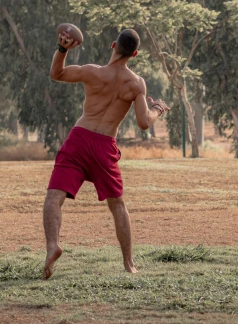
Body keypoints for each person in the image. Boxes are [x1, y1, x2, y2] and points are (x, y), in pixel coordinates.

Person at [43, 28, 170, 279]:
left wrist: (63, 49)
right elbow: (144, 122)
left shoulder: (93, 72)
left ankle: (52, 246)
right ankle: (129, 263)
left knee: (54, 197)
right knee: (118, 205)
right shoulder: (136, 84)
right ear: (134, 54)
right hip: (104, 146)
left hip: (79, 138)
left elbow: (56, 73)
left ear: (113, 45)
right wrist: (157, 109)